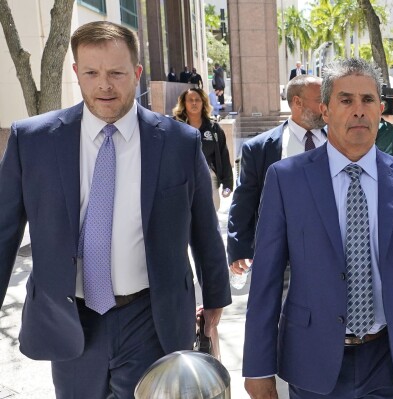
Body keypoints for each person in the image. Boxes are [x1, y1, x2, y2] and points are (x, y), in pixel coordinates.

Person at [0, 21, 231, 398]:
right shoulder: (33, 141)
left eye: (116, 73)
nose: (104, 84)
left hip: (150, 316)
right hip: (72, 319)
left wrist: (216, 297)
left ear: (137, 74)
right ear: (76, 73)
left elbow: (203, 227)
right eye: (91, 72)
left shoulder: (178, 142)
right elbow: (3, 229)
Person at [242, 58, 393, 399]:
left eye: (367, 100)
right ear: (325, 109)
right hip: (313, 360)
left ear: (381, 109)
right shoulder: (286, 179)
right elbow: (266, 280)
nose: (358, 110)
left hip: (389, 361)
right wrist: (257, 367)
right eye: (346, 100)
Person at [228, 74, 326, 275]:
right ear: (297, 102)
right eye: (320, 101)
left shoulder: (340, 143)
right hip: (283, 259)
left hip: (332, 255)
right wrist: (238, 247)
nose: (326, 107)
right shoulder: (260, 148)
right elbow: (245, 199)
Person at [173, 87, 233, 211]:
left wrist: (228, 184)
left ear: (203, 103)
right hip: (182, 180)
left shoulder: (214, 128)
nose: (194, 103)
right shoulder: (175, 127)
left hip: (208, 178)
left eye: (197, 100)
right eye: (190, 100)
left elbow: (223, 155)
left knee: (209, 220)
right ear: (184, 103)